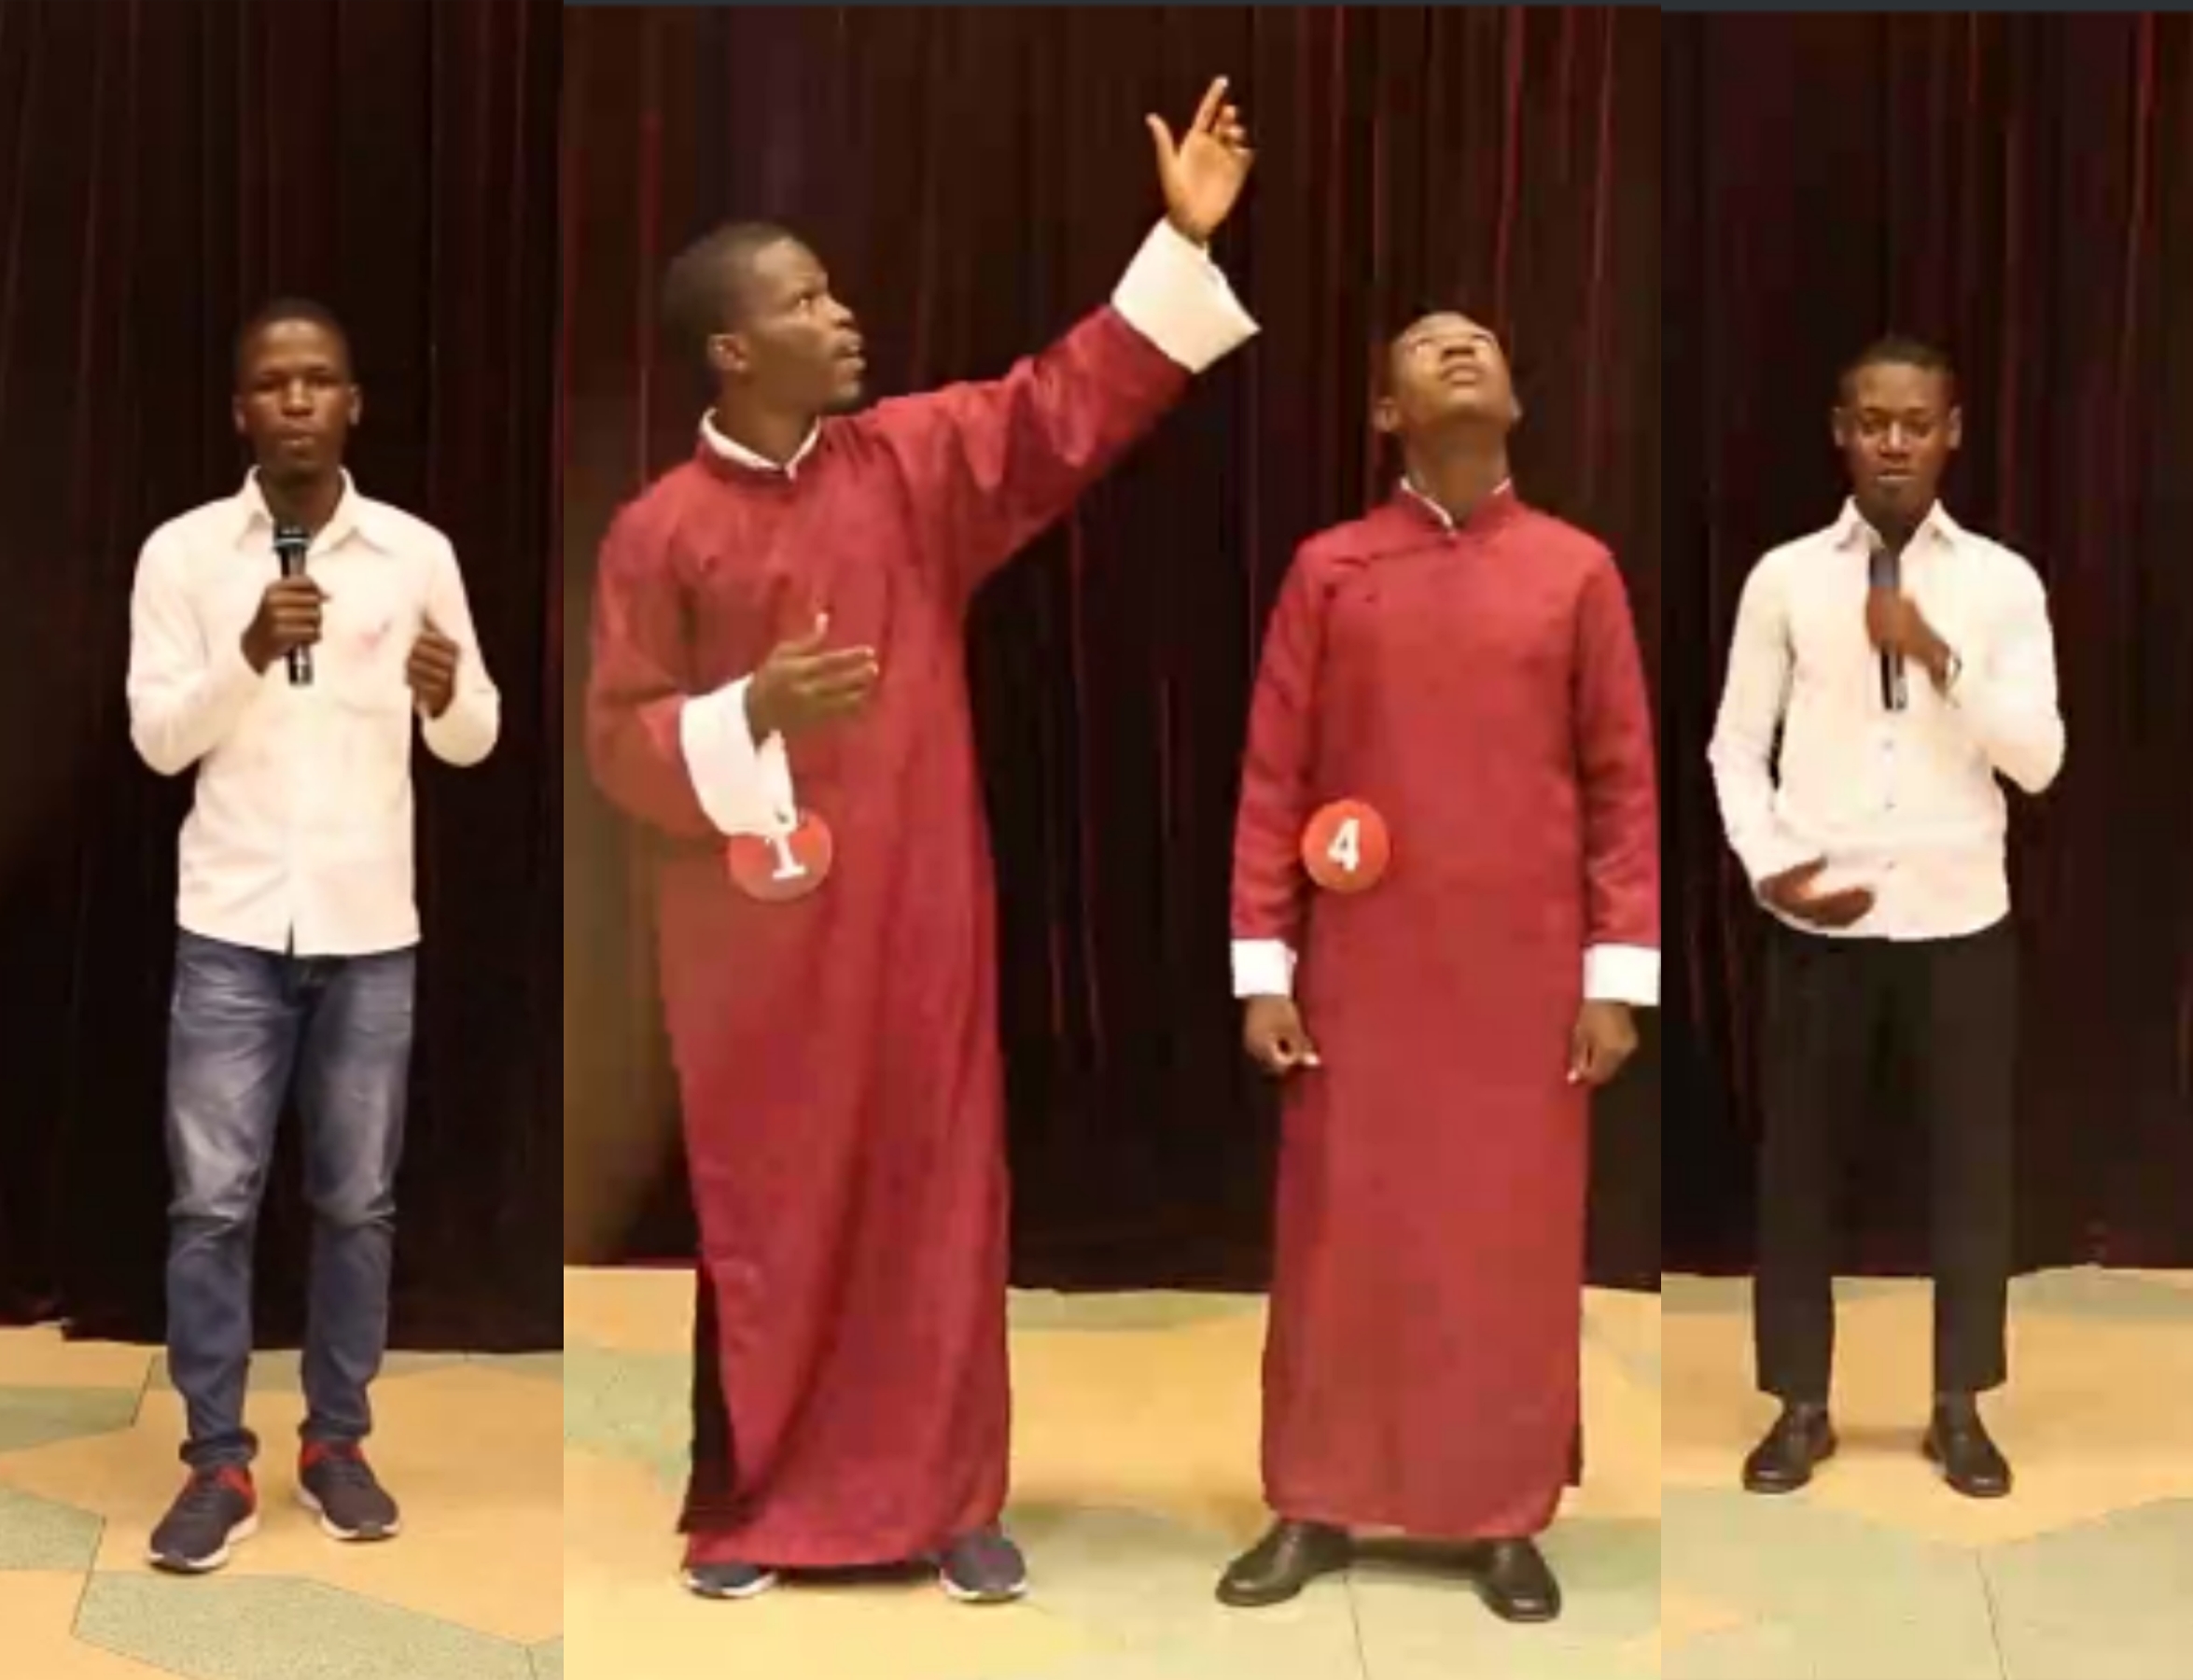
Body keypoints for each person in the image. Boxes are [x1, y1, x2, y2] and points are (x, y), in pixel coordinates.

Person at [582, 79, 1258, 1605]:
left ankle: (954, 1500)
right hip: (753, 943)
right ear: (732, 350)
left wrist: (1177, 242)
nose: (845, 318)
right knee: (779, 1206)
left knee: (939, 1198)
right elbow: (619, 741)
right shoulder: (658, 530)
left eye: (835, 293)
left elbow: (1059, 407)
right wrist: (748, 710)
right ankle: (764, 1506)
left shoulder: (905, 465)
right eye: (807, 301)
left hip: (917, 912)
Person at [1222, 311, 1659, 1623]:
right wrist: (1264, 965)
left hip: (1525, 984)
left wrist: (1614, 978)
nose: (1459, 349)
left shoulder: (1578, 573)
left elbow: (1622, 786)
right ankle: (1313, 1500)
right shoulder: (1330, 571)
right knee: (1339, 1241)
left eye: (1480, 341)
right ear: (1384, 415)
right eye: (1424, 345)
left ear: (1518, 400)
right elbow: (1275, 777)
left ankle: (1503, 1513)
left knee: (1509, 1247)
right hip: (1359, 975)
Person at [124, 299, 501, 1572]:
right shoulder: (183, 555)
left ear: (354, 405)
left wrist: (449, 703)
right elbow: (156, 741)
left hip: (370, 931)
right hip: (229, 925)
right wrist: (245, 653)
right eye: (273, 383)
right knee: (210, 1205)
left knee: (356, 1203)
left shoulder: (413, 554)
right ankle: (215, 1462)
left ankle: (337, 1443)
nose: (297, 400)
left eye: (320, 380)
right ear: (240, 411)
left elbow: (478, 733)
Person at [1708, 335, 2064, 1500]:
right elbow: (1734, 748)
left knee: (1970, 1173)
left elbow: (2042, 760)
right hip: (1823, 923)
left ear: (1953, 433)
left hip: (1960, 923)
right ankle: (1800, 1407)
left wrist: (1940, 656)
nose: (1894, 444)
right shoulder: (1785, 579)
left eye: (1917, 423)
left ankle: (1959, 1408)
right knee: (1799, 1175)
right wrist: (1771, 870)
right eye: (1873, 423)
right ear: (1841, 434)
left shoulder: (2001, 583)